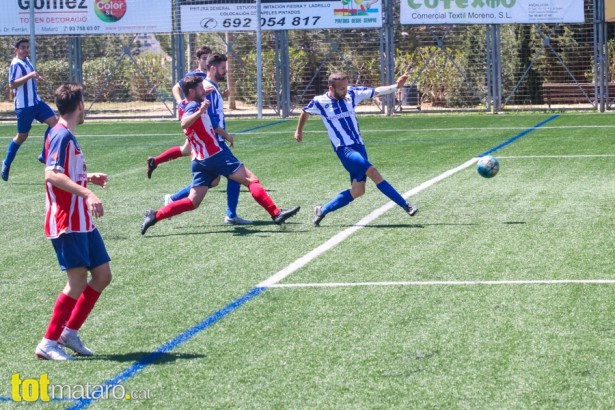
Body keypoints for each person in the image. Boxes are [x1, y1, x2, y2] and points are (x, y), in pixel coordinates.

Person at [141, 76, 300, 235]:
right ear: (191, 91)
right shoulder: (193, 107)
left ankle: (155, 216)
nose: (204, 90)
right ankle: (276, 213)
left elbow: (209, 122)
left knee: (193, 201)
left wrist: (226, 135)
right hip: (215, 155)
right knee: (251, 180)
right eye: (200, 88)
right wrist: (200, 110)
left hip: (199, 160)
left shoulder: (185, 104)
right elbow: (184, 122)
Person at [35, 83, 112, 360]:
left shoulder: (64, 133)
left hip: (83, 222)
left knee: (102, 275)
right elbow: (51, 175)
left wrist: (87, 178)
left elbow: (63, 170)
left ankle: (69, 333)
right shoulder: (60, 135)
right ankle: (48, 342)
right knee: (77, 281)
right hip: (66, 220)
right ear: (79, 105)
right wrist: (86, 191)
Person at [294, 72, 418, 227]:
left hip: (359, 146)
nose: (345, 91)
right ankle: (406, 205)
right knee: (374, 173)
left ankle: (322, 210)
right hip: (344, 150)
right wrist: (299, 130)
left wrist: (396, 86)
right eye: (341, 89)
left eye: (346, 87)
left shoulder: (351, 94)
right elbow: (305, 112)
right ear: (331, 88)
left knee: (358, 190)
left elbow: (376, 91)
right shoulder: (320, 101)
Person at [146, 49, 250, 225]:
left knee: (202, 166)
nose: (204, 61)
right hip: (199, 125)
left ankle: (159, 170)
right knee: (228, 174)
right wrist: (183, 105)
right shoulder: (194, 77)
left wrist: (217, 95)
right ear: (199, 60)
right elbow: (176, 88)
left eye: (206, 58)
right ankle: (230, 214)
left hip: (203, 126)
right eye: (203, 58)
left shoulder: (208, 79)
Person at [2, 38, 58, 181]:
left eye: (27, 47)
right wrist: (30, 76)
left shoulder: (27, 61)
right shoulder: (15, 64)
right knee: (22, 136)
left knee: (55, 123)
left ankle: (44, 155)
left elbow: (30, 76)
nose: (26, 50)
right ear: (16, 50)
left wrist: (37, 77)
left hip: (36, 102)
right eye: (22, 47)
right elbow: (12, 84)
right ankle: (6, 163)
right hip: (24, 106)